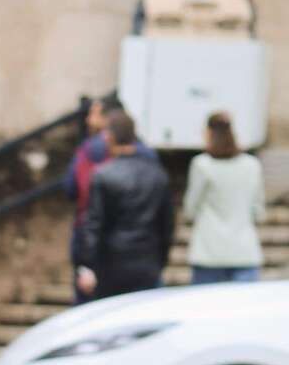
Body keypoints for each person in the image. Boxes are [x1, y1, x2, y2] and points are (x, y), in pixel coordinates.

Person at [73, 108, 174, 300]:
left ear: (109, 137)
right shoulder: (157, 174)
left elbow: (93, 224)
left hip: (112, 265)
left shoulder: (103, 175)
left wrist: (87, 266)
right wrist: (160, 260)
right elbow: (166, 225)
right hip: (147, 262)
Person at [180, 110, 265, 283]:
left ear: (209, 133)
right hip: (244, 252)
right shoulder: (252, 165)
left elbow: (190, 209)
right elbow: (259, 211)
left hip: (208, 252)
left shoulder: (201, 165)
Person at [59, 96, 115, 301]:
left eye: (93, 114)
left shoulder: (90, 149)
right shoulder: (142, 152)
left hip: (89, 233)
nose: (88, 120)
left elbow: (71, 187)